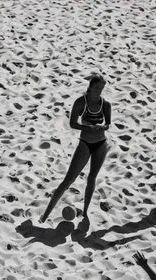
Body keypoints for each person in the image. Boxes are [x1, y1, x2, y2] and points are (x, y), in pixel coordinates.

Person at [40, 74, 112, 223]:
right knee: (69, 180)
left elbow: (108, 124)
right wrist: (88, 127)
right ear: (91, 86)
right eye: (97, 87)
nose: (99, 90)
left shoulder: (106, 104)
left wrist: (101, 127)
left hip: (101, 143)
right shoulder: (81, 102)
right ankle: (45, 215)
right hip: (85, 143)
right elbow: (73, 123)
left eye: (102, 88)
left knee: (92, 177)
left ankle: (85, 213)